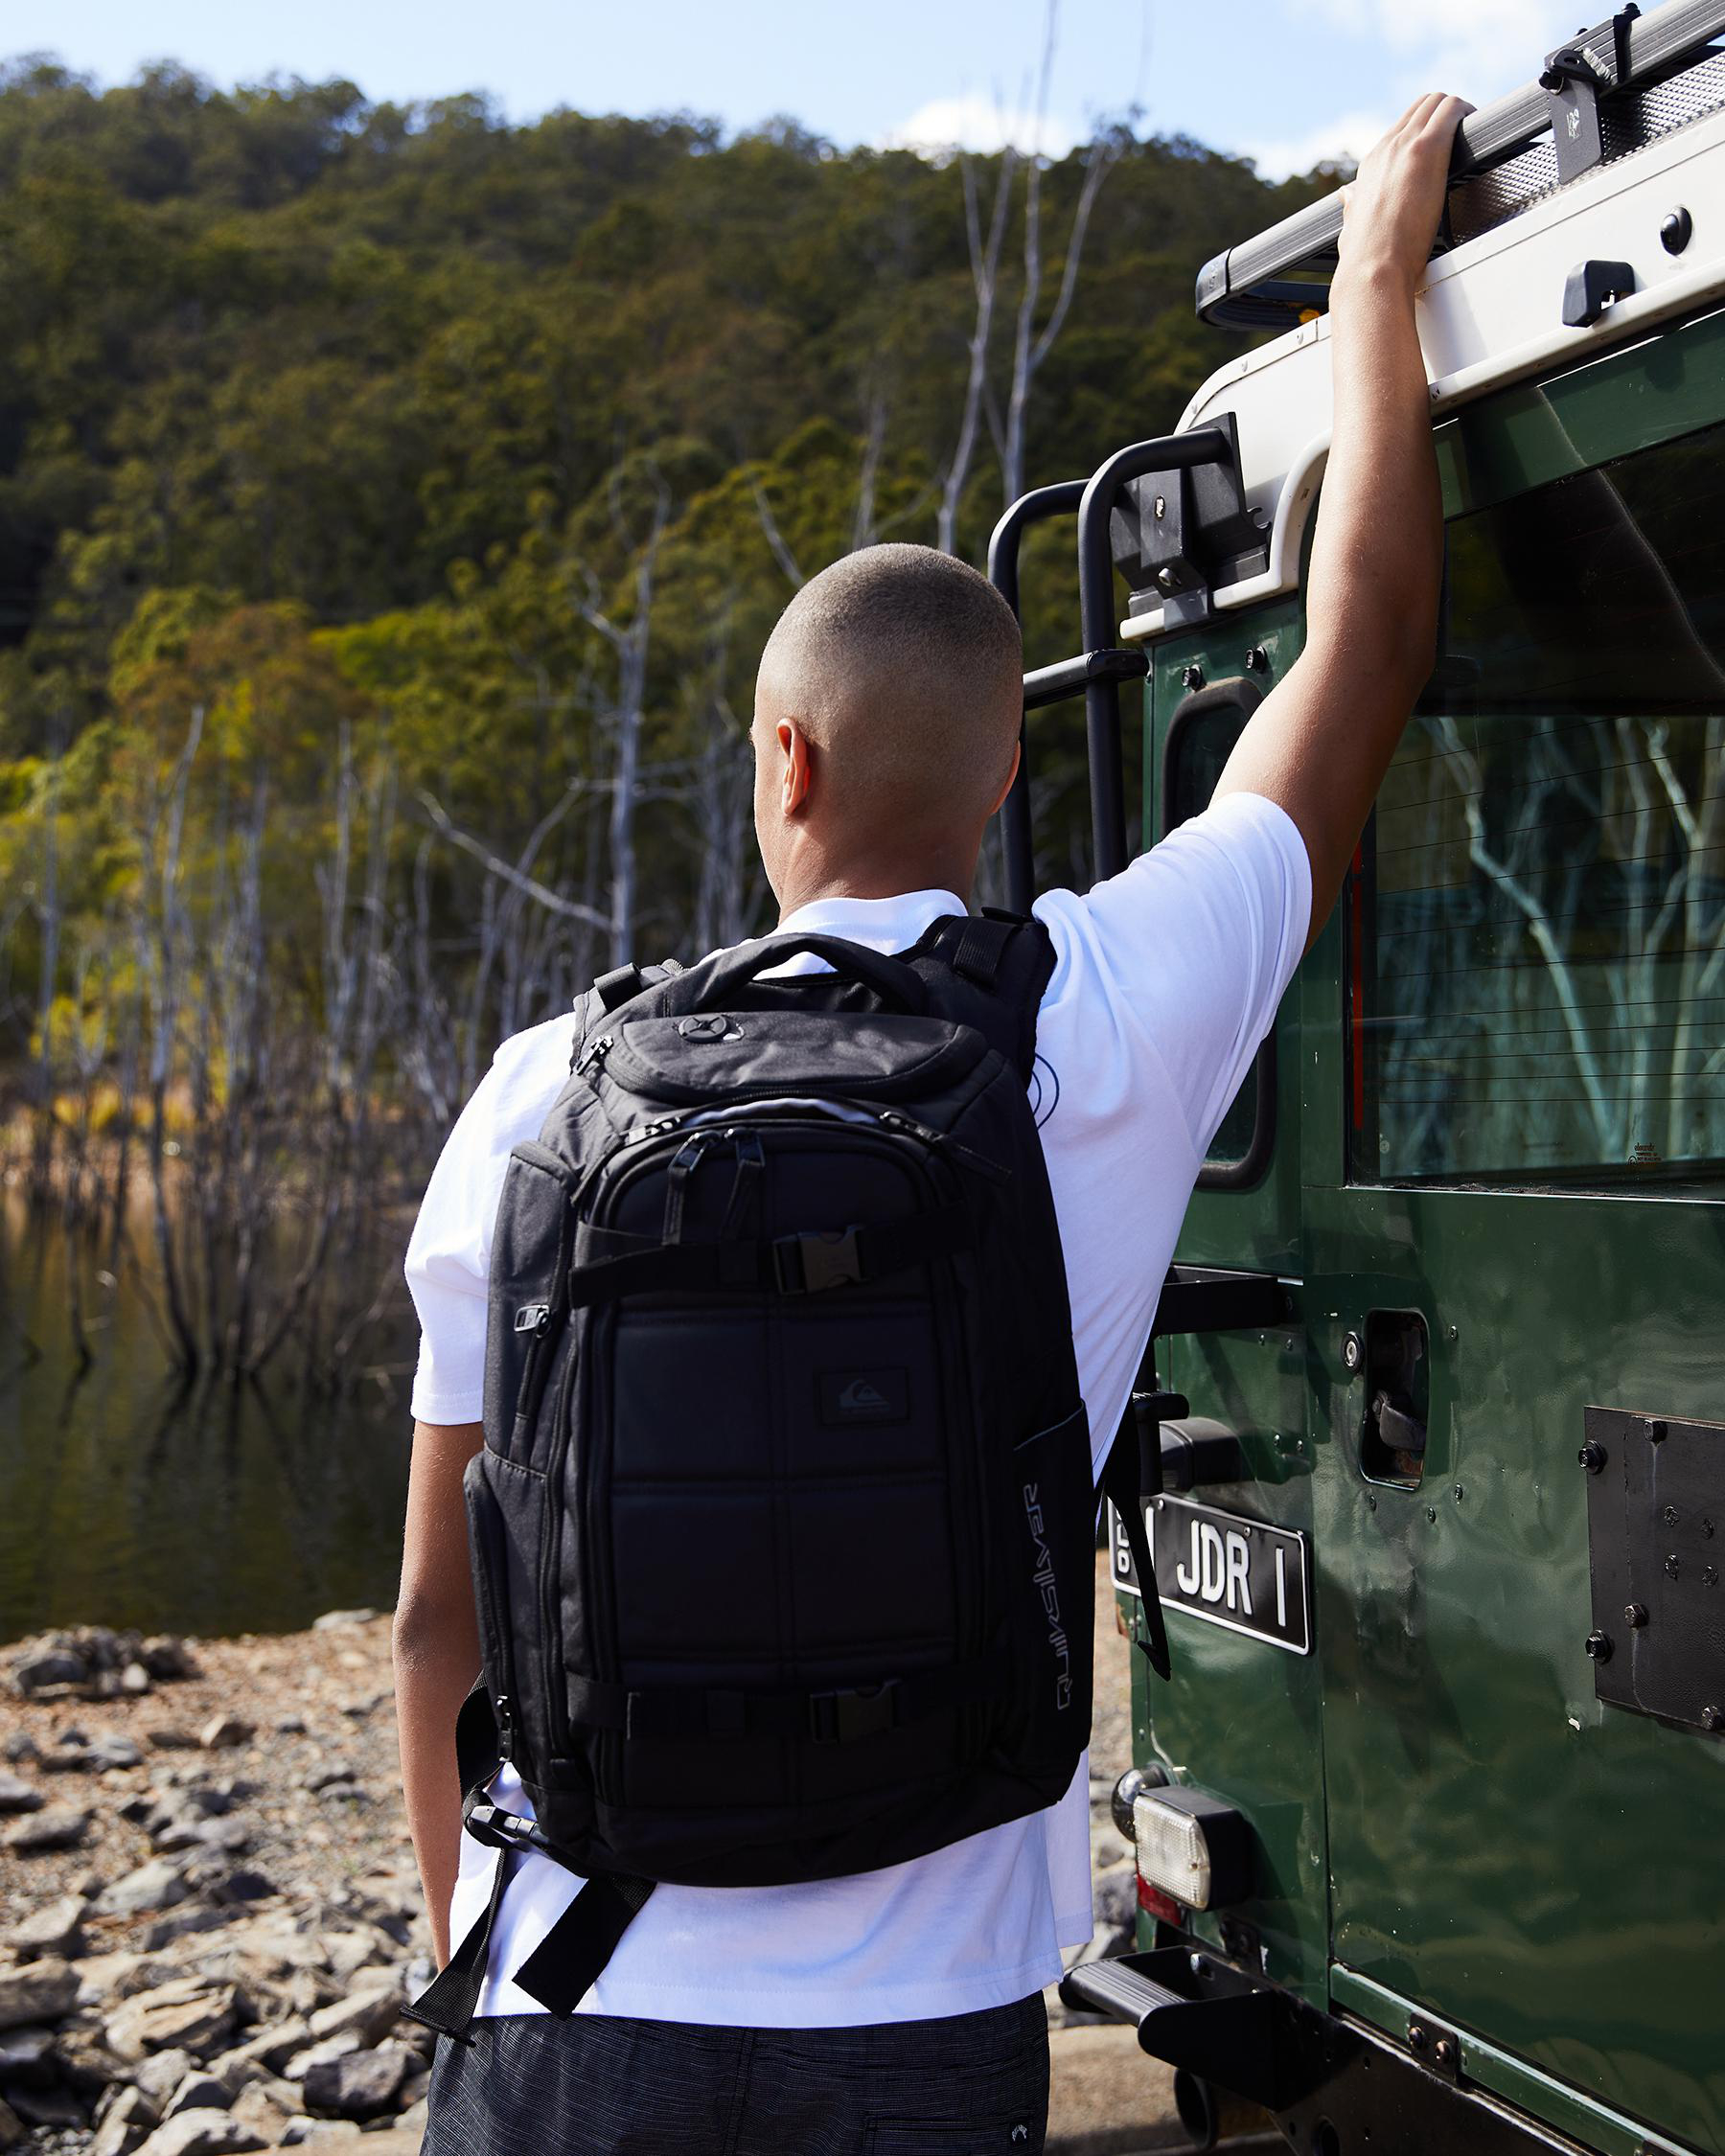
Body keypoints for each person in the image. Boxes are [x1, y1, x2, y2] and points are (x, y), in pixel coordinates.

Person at [395, 92, 1470, 2156]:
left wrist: (467, 1929)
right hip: (930, 2020)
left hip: (572, 1983)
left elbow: (446, 1607)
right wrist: (1374, 283)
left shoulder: (542, 1089)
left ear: (776, 759)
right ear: (996, 785)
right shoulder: (1102, 1017)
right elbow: (1371, 645)